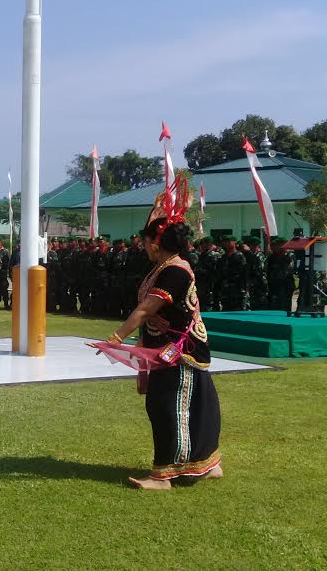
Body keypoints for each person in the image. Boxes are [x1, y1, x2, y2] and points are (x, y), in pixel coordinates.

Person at [105, 199, 221, 490]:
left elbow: (146, 310)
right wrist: (142, 358)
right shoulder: (165, 267)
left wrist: (116, 338)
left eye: (146, 241)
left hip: (180, 351)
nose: (143, 246)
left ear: (155, 244)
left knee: (168, 407)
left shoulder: (175, 271)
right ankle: (206, 466)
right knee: (190, 406)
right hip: (165, 348)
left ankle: (165, 475)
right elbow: (151, 318)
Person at [217, 236, 249, 311]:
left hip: (237, 290)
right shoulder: (223, 257)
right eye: (225, 242)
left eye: (228, 241)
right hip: (226, 290)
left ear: (234, 242)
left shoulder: (239, 256)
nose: (226, 244)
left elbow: (243, 273)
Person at [266, 237, 296, 313]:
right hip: (274, 285)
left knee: (285, 306)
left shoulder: (290, 255)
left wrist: (277, 276)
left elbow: (288, 270)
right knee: (274, 306)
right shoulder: (272, 256)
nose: (276, 247)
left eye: (278, 245)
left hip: (286, 285)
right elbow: (268, 270)